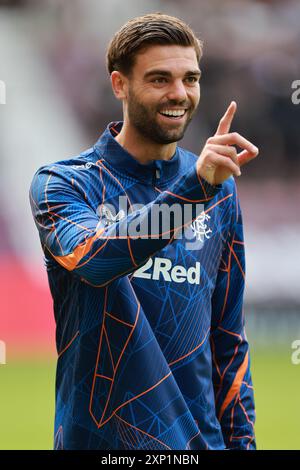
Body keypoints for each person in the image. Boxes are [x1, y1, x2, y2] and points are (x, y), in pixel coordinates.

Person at [29, 12, 259, 450]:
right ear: (119, 84)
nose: (179, 94)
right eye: (159, 79)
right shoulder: (63, 183)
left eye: (190, 78)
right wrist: (195, 190)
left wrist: (243, 445)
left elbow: (229, 344)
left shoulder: (219, 189)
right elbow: (93, 260)